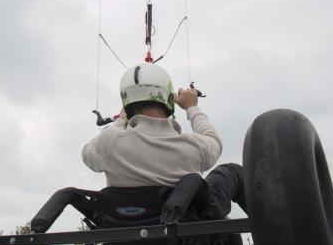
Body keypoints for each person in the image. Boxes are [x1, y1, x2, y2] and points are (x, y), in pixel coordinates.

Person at [82, 62, 245, 219]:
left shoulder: (109, 144)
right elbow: (214, 141)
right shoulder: (192, 147)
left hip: (125, 244)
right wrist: (192, 107)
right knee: (232, 171)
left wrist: (120, 121)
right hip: (184, 242)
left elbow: (88, 152)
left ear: (126, 103)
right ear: (168, 99)